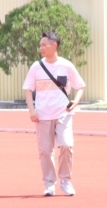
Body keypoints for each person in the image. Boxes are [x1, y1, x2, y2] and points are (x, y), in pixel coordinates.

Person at [23, 31, 85, 196]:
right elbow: (28, 89)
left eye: (44, 45)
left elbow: (80, 86)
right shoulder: (36, 67)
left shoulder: (66, 65)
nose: (41, 48)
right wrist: (32, 109)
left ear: (54, 45)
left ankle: (65, 181)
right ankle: (49, 183)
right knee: (45, 151)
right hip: (42, 115)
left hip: (63, 113)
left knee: (66, 145)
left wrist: (76, 101)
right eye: (40, 45)